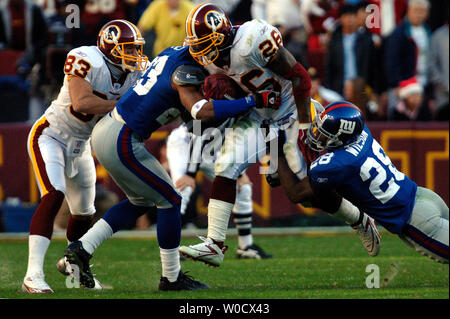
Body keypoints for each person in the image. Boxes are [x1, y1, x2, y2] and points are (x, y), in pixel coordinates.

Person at [61, 43, 282, 289]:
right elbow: (200, 110)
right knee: (171, 201)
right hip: (122, 136)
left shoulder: (173, 53)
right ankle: (172, 278)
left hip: (112, 131)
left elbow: (191, 118)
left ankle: (81, 248)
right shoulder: (185, 69)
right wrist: (252, 100)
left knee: (141, 201)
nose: (220, 59)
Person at [179, 3, 380, 267]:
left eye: (206, 44)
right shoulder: (209, 55)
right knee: (226, 166)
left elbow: (300, 78)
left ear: (221, 35)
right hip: (258, 116)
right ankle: (214, 245)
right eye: (198, 44)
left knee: (302, 192)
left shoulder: (252, 39)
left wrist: (306, 128)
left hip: (290, 111)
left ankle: (359, 218)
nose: (202, 52)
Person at [22, 19, 148, 294]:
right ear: (110, 47)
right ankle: (32, 274)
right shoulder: (86, 58)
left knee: (84, 213)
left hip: (81, 144)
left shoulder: (134, 73)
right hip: (51, 135)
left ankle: (75, 268)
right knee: (54, 195)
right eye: (129, 49)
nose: (135, 56)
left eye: (137, 49)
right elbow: (82, 102)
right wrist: (123, 106)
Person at [276, 101, 448, 264]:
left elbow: (297, 192)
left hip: (417, 220)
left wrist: (277, 153)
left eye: (325, 133)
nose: (317, 134)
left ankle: (358, 221)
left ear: (341, 136)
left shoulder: (340, 164)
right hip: (426, 196)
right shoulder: (361, 131)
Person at [166, 121, 273, 259]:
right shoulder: (232, 103)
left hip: (211, 147)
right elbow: (201, 129)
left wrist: (239, 174)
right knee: (182, 190)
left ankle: (245, 246)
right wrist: (190, 174)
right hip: (186, 142)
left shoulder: (250, 116)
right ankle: (171, 250)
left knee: (242, 188)